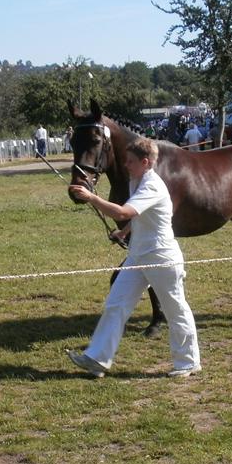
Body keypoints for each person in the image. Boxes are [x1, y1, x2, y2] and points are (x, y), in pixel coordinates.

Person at [66, 137, 201, 379]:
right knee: (116, 304)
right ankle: (97, 359)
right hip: (138, 254)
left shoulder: (152, 186)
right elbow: (138, 215)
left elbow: (123, 211)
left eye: (130, 161)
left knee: (175, 308)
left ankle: (188, 362)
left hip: (161, 256)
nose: (126, 165)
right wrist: (124, 231)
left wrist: (91, 197)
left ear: (146, 162)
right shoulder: (136, 180)